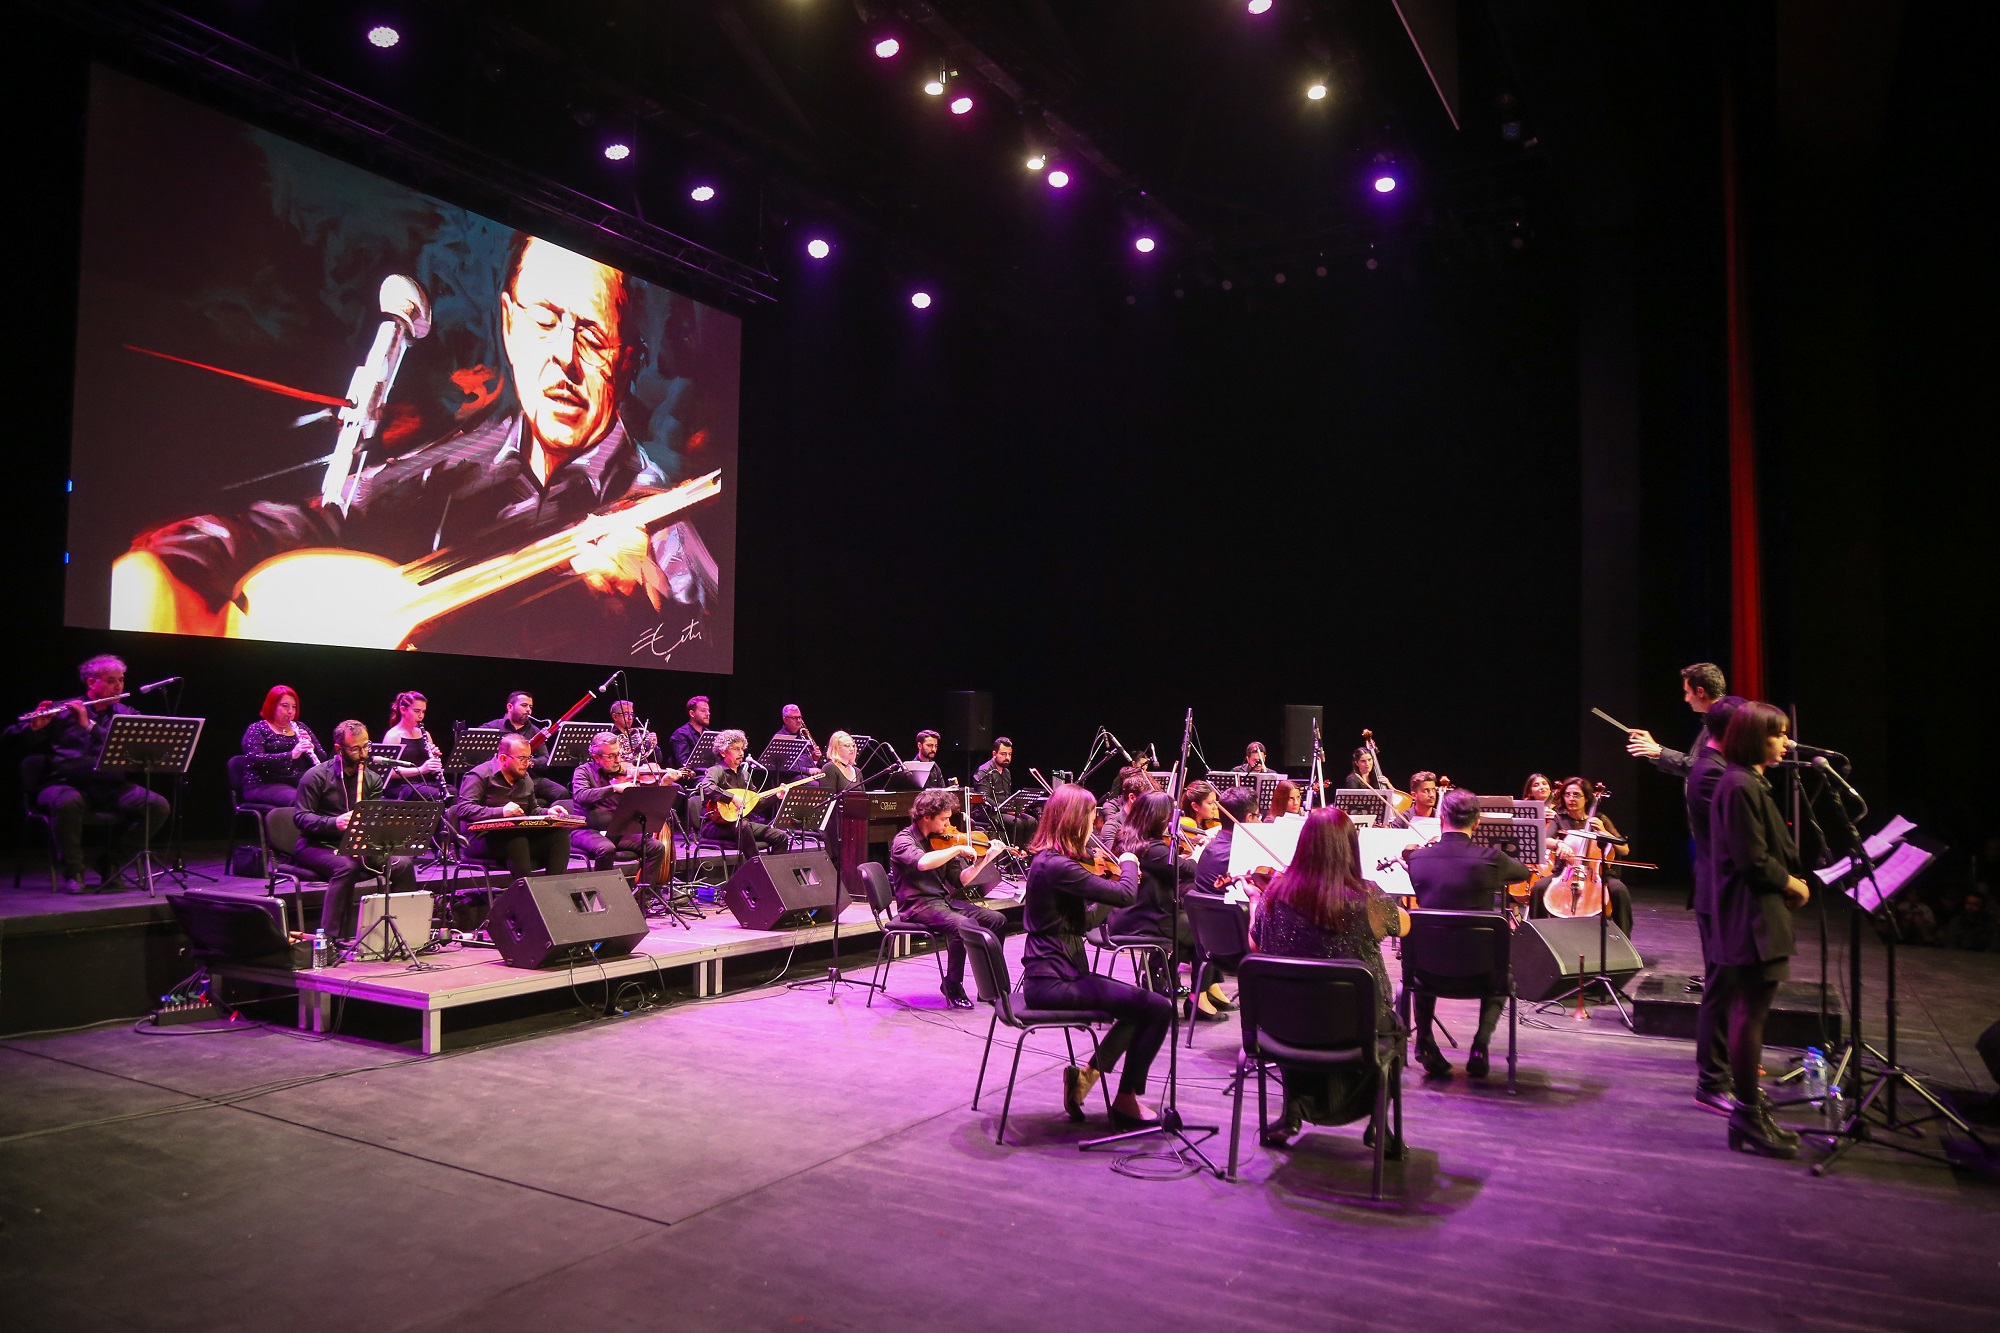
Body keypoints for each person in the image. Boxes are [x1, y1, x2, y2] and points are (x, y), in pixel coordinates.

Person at [110, 233, 721, 658]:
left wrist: (640, 603)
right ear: (509, 325)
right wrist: (181, 566)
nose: (564, 357)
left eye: (590, 335)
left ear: (627, 360)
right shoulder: (456, 464)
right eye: (544, 320)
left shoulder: (658, 518)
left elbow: (697, 639)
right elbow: (320, 519)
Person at [1250, 807, 1411, 1146]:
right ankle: (1378, 1124)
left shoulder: (1274, 893)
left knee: (1299, 1008)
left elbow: (1254, 943)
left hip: (1285, 1025)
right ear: (1350, 847)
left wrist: (1255, 901)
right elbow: (1405, 926)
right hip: (1357, 1026)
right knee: (1395, 1027)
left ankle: (1293, 1111)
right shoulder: (1368, 897)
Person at [1020, 784, 1173, 1129]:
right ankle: (1125, 1101)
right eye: (1092, 814)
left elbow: (1087, 920)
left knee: (1144, 1007)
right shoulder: (1057, 866)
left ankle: (1087, 1079)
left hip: (1061, 972)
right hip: (1052, 981)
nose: (1096, 821)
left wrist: (1112, 884)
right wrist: (1129, 864)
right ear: (1077, 819)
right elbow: (1126, 895)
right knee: (1158, 1008)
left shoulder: (1054, 862)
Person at [1710, 700, 1812, 1158]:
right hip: (1750, 916)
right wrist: (1792, 883)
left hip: (1758, 912)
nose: (1787, 742)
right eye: (1779, 734)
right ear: (1755, 737)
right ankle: (1747, 1115)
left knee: (1754, 1013)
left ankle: (1751, 1113)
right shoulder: (1738, 785)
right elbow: (1752, 858)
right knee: (1749, 1014)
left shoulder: (1750, 782)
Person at [6, 655, 170, 893]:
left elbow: (128, 747)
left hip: (110, 787)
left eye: (121, 680)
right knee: (68, 802)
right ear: (91, 682)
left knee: (157, 805)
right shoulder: (63, 711)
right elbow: (9, 741)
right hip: (63, 783)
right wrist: (33, 728)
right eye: (111, 681)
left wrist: (88, 725)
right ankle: (74, 871)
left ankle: (111, 862)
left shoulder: (127, 713)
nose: (118, 686)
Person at [1404, 789, 1535, 1079]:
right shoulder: (1492, 859)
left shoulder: (1418, 859)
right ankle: (1480, 1044)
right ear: (1477, 823)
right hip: (1483, 975)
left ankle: (1424, 1039)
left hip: (1428, 974)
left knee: (1428, 949)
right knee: (1502, 967)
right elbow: (1523, 873)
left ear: (1441, 818)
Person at [291, 720, 420, 947]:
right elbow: (300, 817)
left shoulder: (372, 779)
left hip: (357, 843)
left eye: (366, 746)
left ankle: (404, 933)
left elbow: (373, 817)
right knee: (346, 867)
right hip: (318, 845)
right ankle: (328, 940)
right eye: (355, 749)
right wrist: (334, 822)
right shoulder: (315, 776)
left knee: (403, 864)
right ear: (339, 749)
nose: (363, 754)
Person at [889, 789, 1012, 1008]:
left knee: (997, 920)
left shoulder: (944, 842)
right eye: (944, 819)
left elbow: (960, 880)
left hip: (942, 902)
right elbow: (923, 863)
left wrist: (984, 860)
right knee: (963, 925)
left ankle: (990, 986)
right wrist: (957, 849)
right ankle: (952, 984)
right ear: (927, 817)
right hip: (917, 906)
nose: (948, 825)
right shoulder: (904, 840)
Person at [1685, 695, 1747, 1115]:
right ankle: (1711, 1081)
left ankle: (1728, 1073)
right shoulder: (1712, 773)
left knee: (1728, 989)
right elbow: (1732, 842)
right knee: (1721, 990)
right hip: (1720, 894)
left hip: (1722, 894)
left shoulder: (1721, 769)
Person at [1107, 792, 1215, 1018]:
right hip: (1146, 920)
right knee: (1208, 929)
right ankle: (1199, 998)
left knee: (1190, 926)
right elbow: (1188, 870)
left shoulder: (1127, 839)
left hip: (1127, 916)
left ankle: (1159, 975)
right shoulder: (1153, 849)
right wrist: (1200, 853)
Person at [452, 734, 576, 878]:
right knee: (516, 838)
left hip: (517, 837)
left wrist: (549, 812)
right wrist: (501, 812)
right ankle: (525, 890)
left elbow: (533, 810)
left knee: (559, 835)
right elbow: (463, 809)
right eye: (522, 758)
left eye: (529, 758)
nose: (527, 763)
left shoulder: (525, 778)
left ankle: (553, 887)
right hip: (480, 839)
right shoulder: (479, 775)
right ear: (503, 758)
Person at [568, 732, 672, 886]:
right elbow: (581, 796)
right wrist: (614, 788)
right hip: (586, 830)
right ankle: (604, 892)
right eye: (611, 756)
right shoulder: (583, 771)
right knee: (606, 848)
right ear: (596, 757)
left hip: (617, 831)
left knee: (656, 847)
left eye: (618, 754)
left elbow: (646, 799)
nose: (618, 760)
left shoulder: (624, 773)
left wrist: (664, 783)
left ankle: (643, 896)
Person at [1546, 776, 1635, 935]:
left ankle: (1624, 939)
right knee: (1539, 888)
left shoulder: (1599, 819)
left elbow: (1624, 850)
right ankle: (1539, 936)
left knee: (1619, 891)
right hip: (1566, 873)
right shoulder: (1559, 819)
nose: (1571, 799)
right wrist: (1559, 843)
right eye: (1567, 794)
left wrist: (1603, 831)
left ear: (1586, 798)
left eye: (1576, 795)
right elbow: (1545, 840)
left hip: (1598, 875)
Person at [1626, 662, 1727, 781]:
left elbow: (1708, 767)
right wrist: (1656, 748)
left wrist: (1660, 753)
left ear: (1700, 692)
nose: (1686, 699)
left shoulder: (1725, 721)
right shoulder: (1715, 720)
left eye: (1687, 692)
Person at [698, 730, 790, 856]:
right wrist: (732, 798)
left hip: (741, 823)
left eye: (742, 749)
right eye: (736, 749)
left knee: (781, 836)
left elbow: (756, 804)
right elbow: (706, 787)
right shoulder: (716, 770)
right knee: (744, 826)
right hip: (714, 825)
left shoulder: (745, 775)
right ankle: (756, 865)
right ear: (723, 752)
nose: (741, 753)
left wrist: (776, 797)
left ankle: (772, 868)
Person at [240, 685, 321, 805]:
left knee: (330, 797)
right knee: (302, 800)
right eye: (285, 706)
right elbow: (255, 759)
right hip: (264, 784)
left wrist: (312, 748)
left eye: (294, 707)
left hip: (297, 781)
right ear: (272, 706)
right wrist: (291, 755)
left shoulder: (301, 727)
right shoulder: (257, 729)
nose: (290, 711)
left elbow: (323, 758)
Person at [484, 692, 568, 807]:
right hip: (501, 780)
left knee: (562, 793)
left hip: (530, 779)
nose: (528, 710)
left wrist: (529, 761)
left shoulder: (535, 731)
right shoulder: (491, 728)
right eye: (524, 705)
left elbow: (545, 760)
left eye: (530, 707)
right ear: (510, 707)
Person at [381, 690, 447, 802]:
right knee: (435, 795)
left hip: (422, 784)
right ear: (403, 710)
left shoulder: (425, 734)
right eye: (416, 711)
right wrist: (421, 769)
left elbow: (430, 771)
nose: (421, 716)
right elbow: (389, 772)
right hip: (400, 787)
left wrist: (434, 761)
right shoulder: (393, 735)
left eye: (423, 712)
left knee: (453, 792)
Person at [1195, 786, 1263, 893]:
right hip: (1225, 903)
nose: (1260, 822)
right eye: (1257, 816)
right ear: (1249, 818)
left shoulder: (1211, 846)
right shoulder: (1239, 854)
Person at [974, 736, 1035, 848]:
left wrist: (1015, 807)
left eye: (1009, 754)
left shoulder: (1007, 772)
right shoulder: (984, 771)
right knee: (1017, 823)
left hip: (1005, 810)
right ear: (994, 753)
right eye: (1003, 754)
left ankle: (1024, 851)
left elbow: (1007, 796)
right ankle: (1013, 852)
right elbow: (984, 798)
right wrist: (1006, 809)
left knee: (1031, 821)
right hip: (989, 812)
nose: (1007, 757)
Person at [767, 705, 822, 779]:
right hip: (790, 777)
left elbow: (802, 759)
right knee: (815, 784)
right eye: (795, 718)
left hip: (805, 775)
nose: (799, 721)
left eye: (800, 717)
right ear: (785, 720)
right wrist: (808, 770)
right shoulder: (780, 738)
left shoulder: (802, 735)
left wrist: (813, 758)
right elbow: (784, 766)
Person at [607, 699, 660, 770]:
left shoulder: (638, 734)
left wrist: (653, 745)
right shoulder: (609, 737)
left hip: (641, 771)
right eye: (626, 714)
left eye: (631, 714)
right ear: (615, 717)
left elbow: (658, 759)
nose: (630, 718)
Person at [666, 696, 713, 771]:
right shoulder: (681, 734)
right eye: (703, 711)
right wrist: (708, 770)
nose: (708, 714)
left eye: (708, 711)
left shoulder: (709, 733)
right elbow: (683, 764)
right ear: (692, 713)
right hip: (690, 776)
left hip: (707, 774)